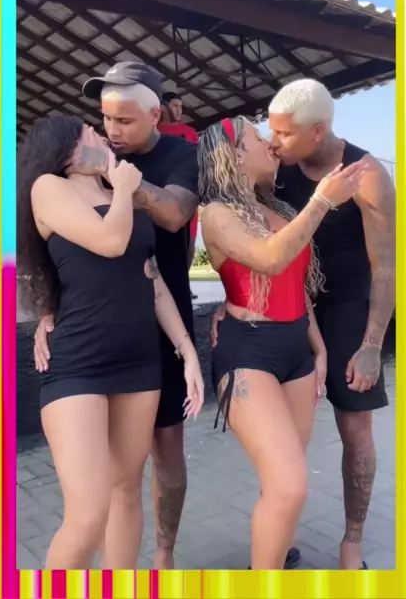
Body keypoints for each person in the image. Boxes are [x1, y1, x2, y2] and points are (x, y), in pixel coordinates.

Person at [33, 63, 200, 570]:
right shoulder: (57, 185)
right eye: (100, 123)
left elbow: (158, 256)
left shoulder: (174, 158)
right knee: (89, 513)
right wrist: (46, 309)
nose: (108, 132)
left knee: (135, 481)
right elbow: (95, 248)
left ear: (154, 116)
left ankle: (153, 566)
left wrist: (188, 350)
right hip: (82, 354)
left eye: (121, 121)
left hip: (144, 348)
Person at [199, 115, 366, 570]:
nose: (270, 144)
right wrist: (322, 201)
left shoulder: (279, 209)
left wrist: (319, 347)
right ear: (234, 154)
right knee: (290, 484)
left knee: (282, 480)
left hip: (297, 351)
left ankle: (275, 553)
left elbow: (297, 284)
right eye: (258, 137)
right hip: (248, 351)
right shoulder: (216, 213)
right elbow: (269, 259)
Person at [267, 78, 395, 570]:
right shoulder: (275, 168)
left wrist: (372, 345)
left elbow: (386, 268)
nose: (274, 142)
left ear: (317, 131)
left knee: (355, 428)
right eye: (272, 131)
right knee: (280, 431)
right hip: (289, 301)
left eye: (284, 134)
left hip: (346, 306)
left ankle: (352, 542)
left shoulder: (366, 175)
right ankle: (281, 531)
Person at [158, 92, 200, 298]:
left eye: (181, 106)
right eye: (175, 105)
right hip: (159, 197)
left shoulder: (189, 132)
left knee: (188, 243)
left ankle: (184, 282)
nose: (179, 110)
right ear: (163, 107)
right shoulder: (152, 132)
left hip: (186, 199)